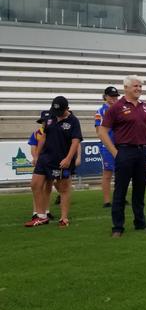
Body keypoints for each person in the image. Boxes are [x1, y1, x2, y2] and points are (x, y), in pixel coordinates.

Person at [98, 75, 146, 238]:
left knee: (140, 191)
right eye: (136, 86)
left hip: (143, 152)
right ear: (126, 87)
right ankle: (117, 227)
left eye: (140, 86)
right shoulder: (116, 107)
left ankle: (140, 222)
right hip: (125, 152)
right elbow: (102, 131)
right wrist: (115, 152)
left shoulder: (145, 107)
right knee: (120, 191)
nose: (139, 89)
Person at [24, 96, 83, 228]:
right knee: (35, 184)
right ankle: (41, 216)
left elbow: (75, 141)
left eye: (60, 112)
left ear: (67, 109)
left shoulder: (73, 121)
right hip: (45, 158)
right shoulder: (50, 117)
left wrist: (68, 158)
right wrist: (37, 156)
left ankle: (64, 218)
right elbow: (44, 136)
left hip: (61, 160)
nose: (57, 115)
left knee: (63, 188)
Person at [95, 86, 120, 208]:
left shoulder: (121, 109)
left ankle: (120, 198)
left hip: (121, 145)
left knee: (122, 174)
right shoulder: (101, 111)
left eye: (115, 96)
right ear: (105, 97)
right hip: (107, 147)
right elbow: (98, 131)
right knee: (107, 174)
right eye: (111, 96)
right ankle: (107, 201)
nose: (113, 99)